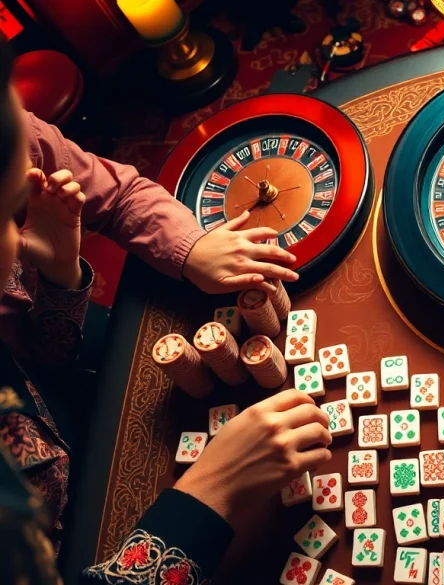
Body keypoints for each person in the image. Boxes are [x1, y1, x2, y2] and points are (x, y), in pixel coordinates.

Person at [0, 42, 332, 583]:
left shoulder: (10, 126)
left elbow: (116, 195)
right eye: (4, 215)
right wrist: (211, 490)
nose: (16, 240)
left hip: (69, 377)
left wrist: (67, 272)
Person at [6, 102, 299, 367]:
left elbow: (120, 195)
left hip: (68, 315)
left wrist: (190, 248)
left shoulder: (13, 129)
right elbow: (35, 371)